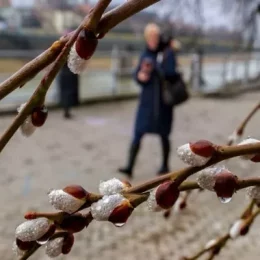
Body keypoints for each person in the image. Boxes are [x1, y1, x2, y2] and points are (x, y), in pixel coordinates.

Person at [118, 23, 177, 178]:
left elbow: (171, 74)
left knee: (164, 134)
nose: (153, 39)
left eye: (155, 36)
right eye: (150, 37)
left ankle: (165, 165)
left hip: (163, 102)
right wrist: (140, 76)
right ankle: (129, 166)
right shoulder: (145, 54)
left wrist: (156, 68)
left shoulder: (167, 53)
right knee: (138, 133)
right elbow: (137, 74)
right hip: (146, 102)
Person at [57, 29, 79, 119]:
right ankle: (67, 111)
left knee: (65, 93)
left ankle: (66, 110)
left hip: (64, 73)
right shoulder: (73, 48)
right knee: (68, 93)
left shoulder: (60, 48)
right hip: (69, 74)